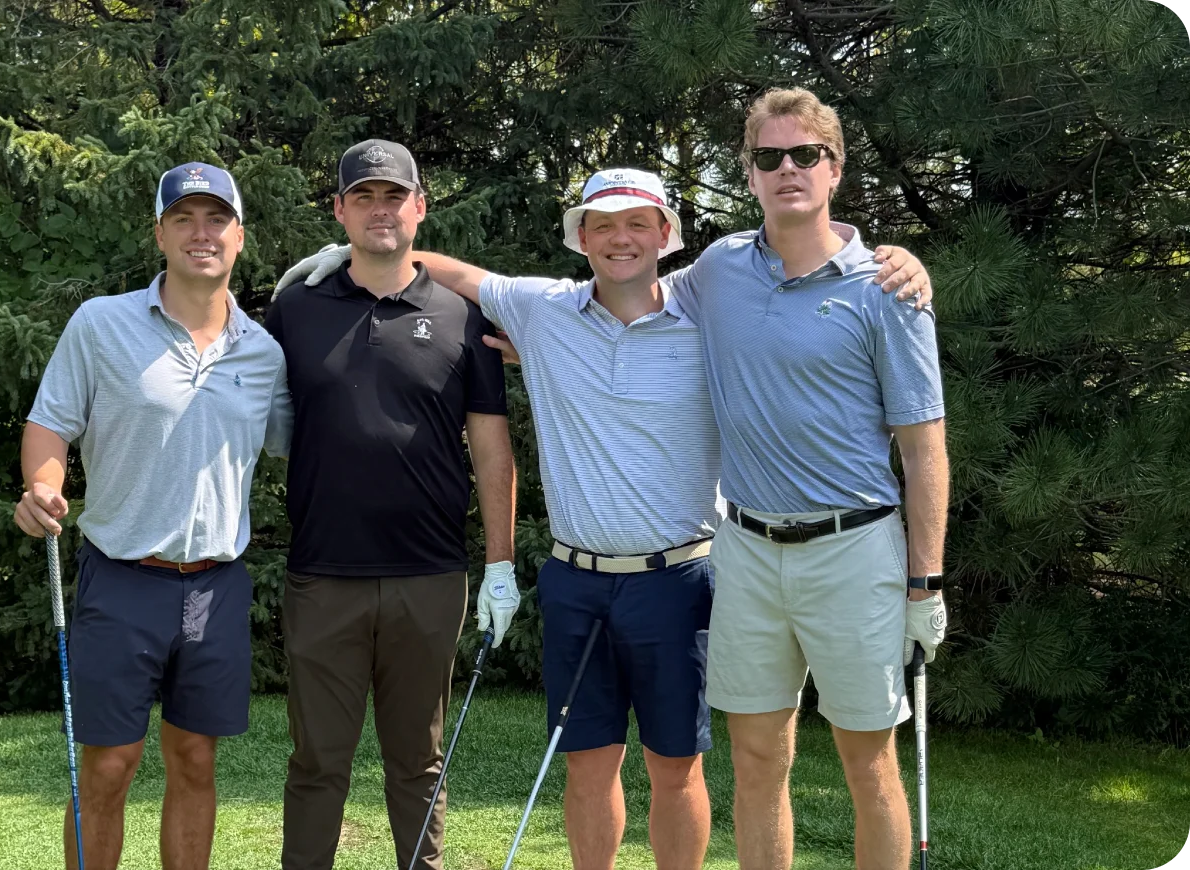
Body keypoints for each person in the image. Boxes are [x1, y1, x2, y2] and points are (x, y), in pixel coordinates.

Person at [275, 164, 934, 869]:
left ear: (665, 236)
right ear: (581, 238)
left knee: (675, 767)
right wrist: (347, 255)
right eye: (604, 226)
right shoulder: (543, 308)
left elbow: (794, 246)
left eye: (637, 224)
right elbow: (448, 269)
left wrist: (893, 258)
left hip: (679, 579)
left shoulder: (710, 312)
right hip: (576, 580)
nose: (621, 240)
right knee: (587, 763)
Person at [666, 87, 949, 870]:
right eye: (768, 157)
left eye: (805, 155)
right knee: (757, 764)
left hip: (854, 552)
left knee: (869, 764)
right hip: (748, 550)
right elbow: (625, 302)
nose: (787, 169)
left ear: (835, 169)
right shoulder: (719, 269)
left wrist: (925, 583)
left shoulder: (887, 289)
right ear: (750, 174)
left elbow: (925, 449)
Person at [14, 162, 293, 870]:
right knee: (109, 764)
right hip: (122, 576)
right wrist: (44, 486)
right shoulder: (101, 324)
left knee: (195, 758)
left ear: (240, 236)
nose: (202, 233)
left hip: (216, 585)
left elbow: (313, 440)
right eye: (184, 219)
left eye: (216, 219)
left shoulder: (264, 353)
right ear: (160, 233)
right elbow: (50, 426)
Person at [265, 139, 518, 870]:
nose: (381, 209)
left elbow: (492, 450)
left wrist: (499, 565)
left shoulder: (462, 316)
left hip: (429, 576)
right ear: (340, 209)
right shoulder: (295, 308)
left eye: (394, 196)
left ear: (420, 207)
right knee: (317, 765)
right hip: (323, 574)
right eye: (364, 197)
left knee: (419, 765)